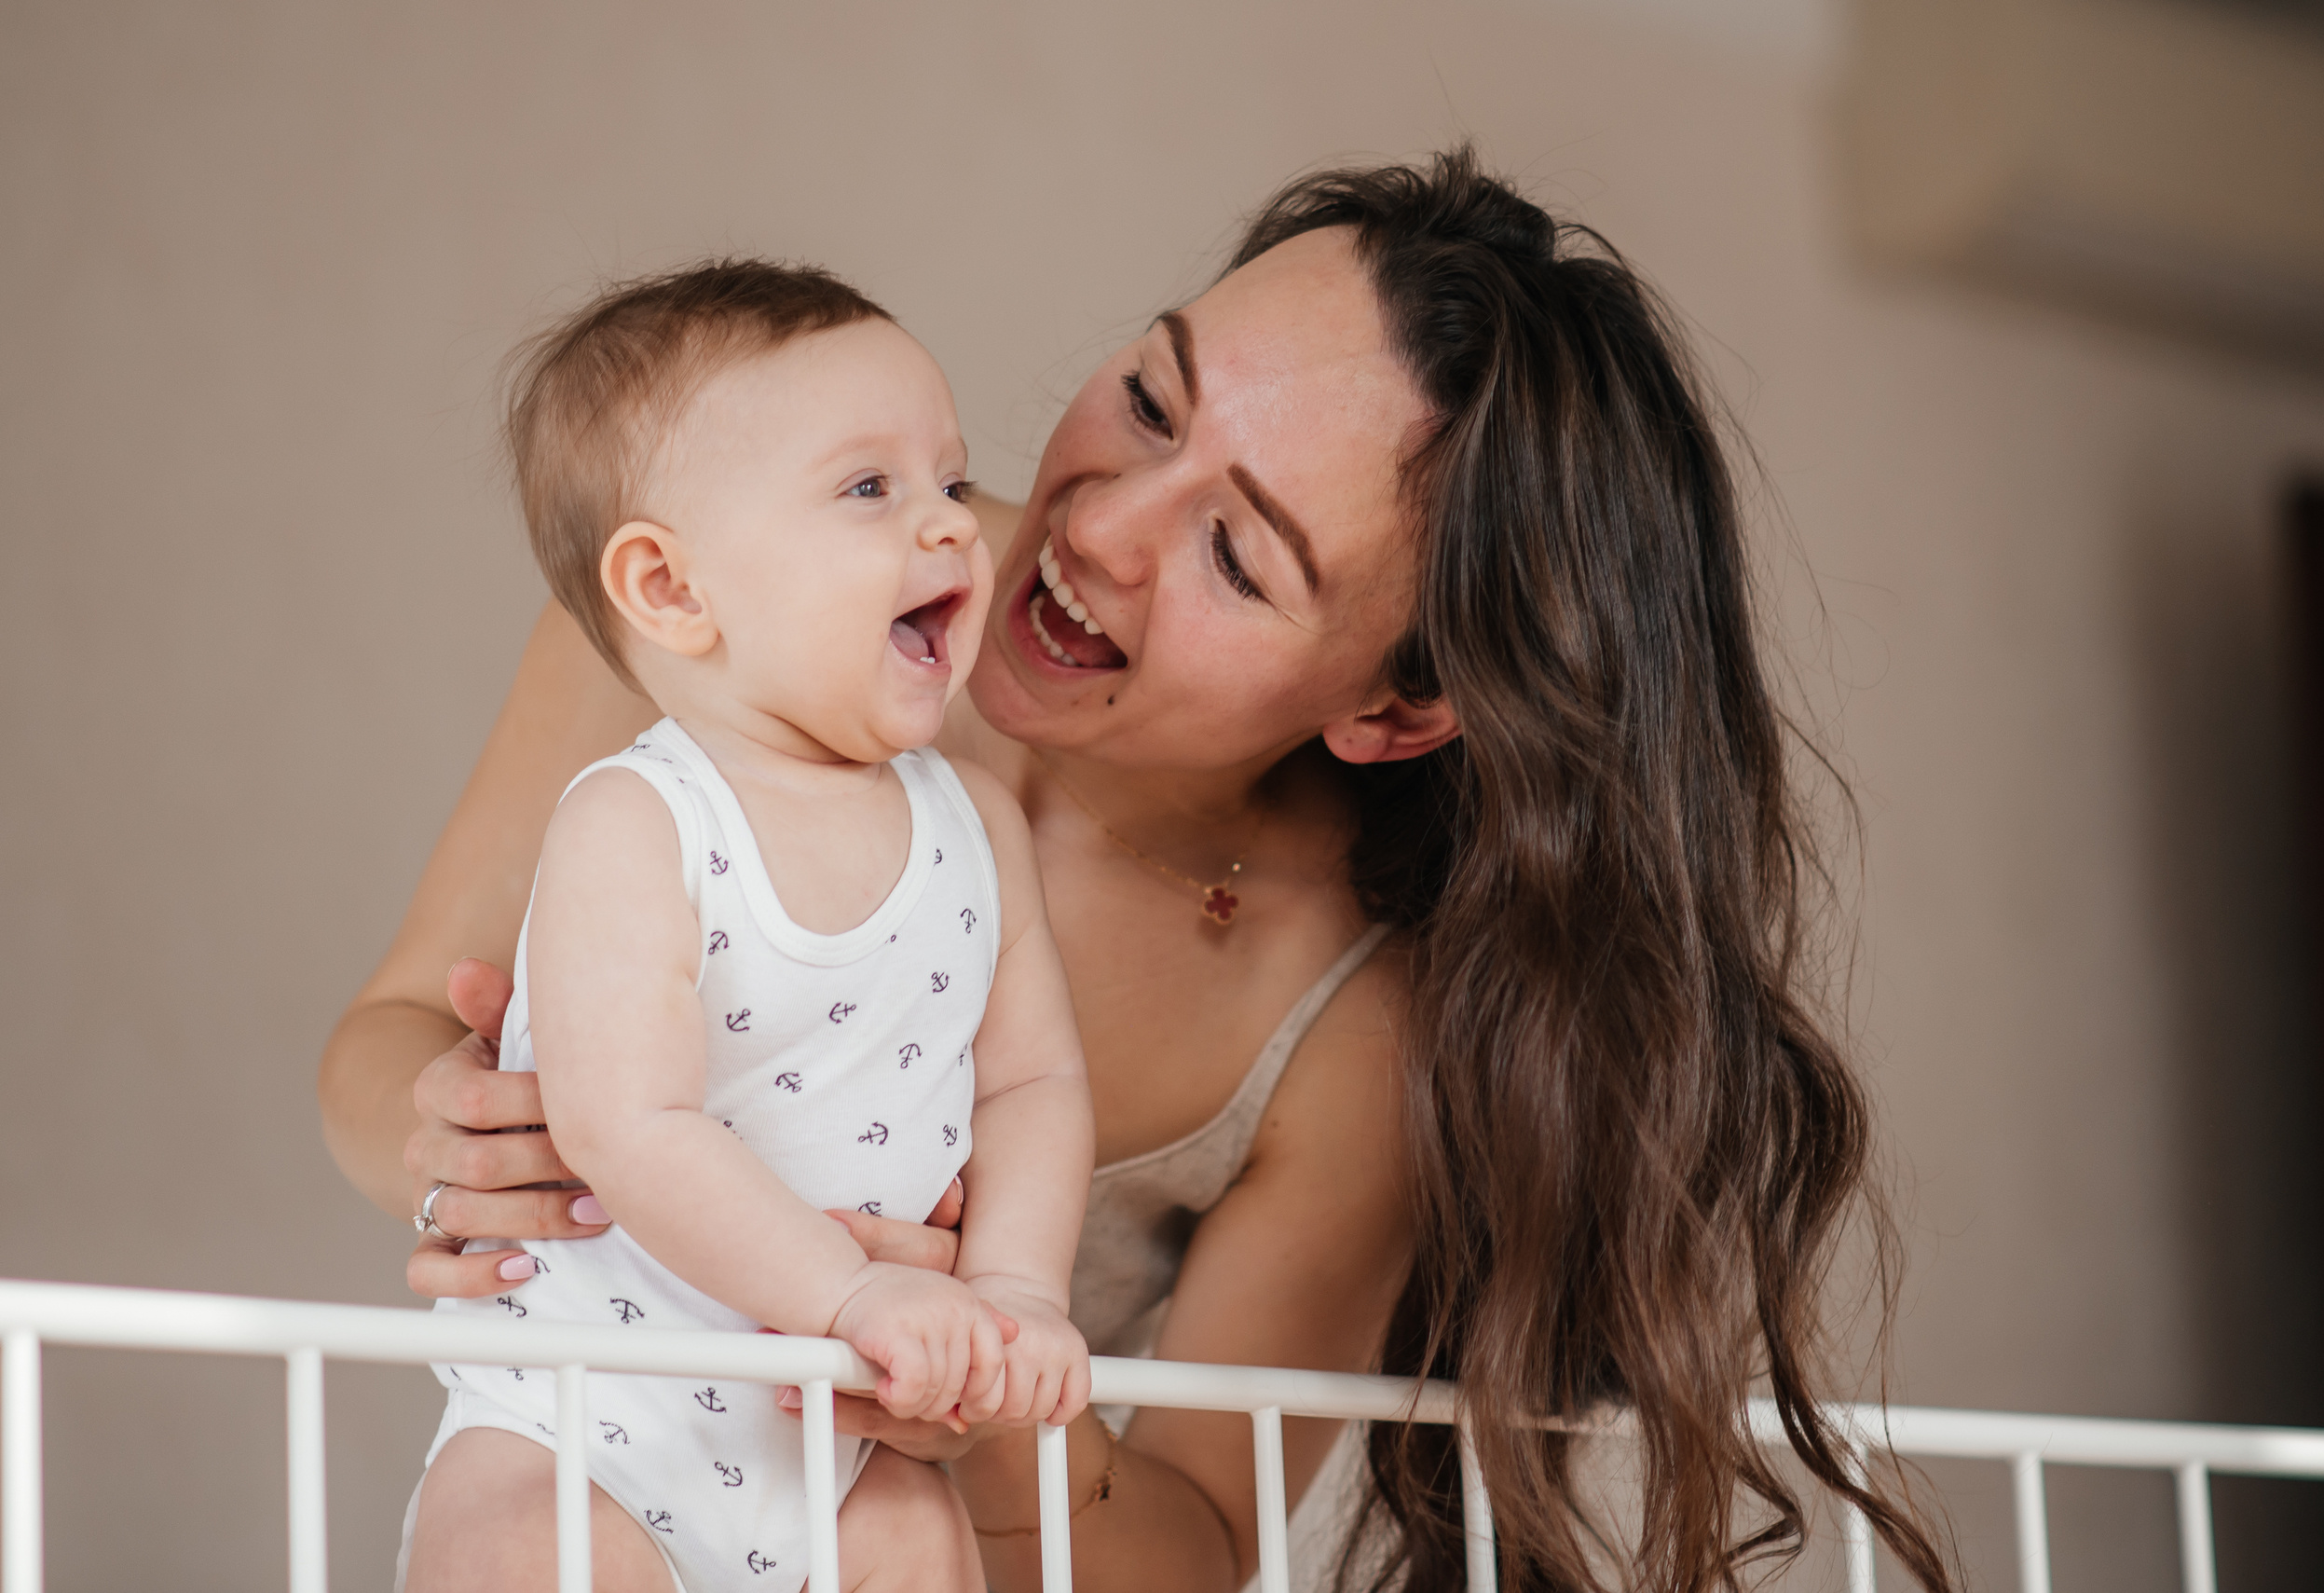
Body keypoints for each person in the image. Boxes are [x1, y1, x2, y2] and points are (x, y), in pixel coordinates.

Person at [323, 149, 1952, 1593]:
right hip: (595, 1439)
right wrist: (476, 1149)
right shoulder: (731, 596)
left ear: (1393, 708)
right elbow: (386, 1035)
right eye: (1155, 401)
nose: (1095, 530)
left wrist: (968, 1401)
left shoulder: (1345, 1028)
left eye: (1238, 554)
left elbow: (1194, 1538)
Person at [400, 261, 1094, 1593]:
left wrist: (1016, 1292)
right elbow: (628, 1125)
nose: (950, 527)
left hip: (844, 1439)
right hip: (589, 1419)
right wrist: (849, 1293)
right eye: (868, 489)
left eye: (950, 480)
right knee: (514, 1551)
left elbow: (1034, 1080)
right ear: (670, 590)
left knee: (926, 1550)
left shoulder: (976, 827)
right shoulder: (636, 821)